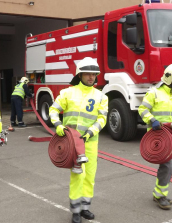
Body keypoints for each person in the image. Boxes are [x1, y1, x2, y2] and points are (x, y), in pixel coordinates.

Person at [49, 57, 108, 223]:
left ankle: (85, 208)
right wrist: (58, 125)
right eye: (87, 74)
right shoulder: (68, 93)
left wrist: (91, 131)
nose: (91, 77)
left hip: (90, 142)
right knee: (77, 176)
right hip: (72, 144)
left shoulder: (101, 96)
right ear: (80, 75)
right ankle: (75, 211)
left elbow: (102, 119)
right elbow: (53, 109)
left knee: (89, 176)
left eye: (94, 74)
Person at [138, 63, 172, 210]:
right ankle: (161, 196)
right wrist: (152, 120)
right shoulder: (154, 92)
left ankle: (158, 192)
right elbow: (142, 109)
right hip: (157, 136)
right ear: (170, 78)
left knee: (171, 166)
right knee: (167, 165)